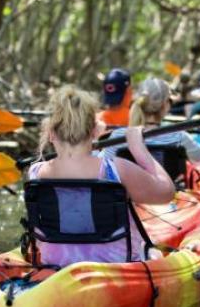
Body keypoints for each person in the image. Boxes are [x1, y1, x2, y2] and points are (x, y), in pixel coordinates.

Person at [28, 85, 175, 266]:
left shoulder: (35, 174)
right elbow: (167, 193)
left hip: (56, 262)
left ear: (51, 134)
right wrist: (139, 149)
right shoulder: (117, 170)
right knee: (153, 251)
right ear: (95, 132)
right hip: (115, 263)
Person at [103, 77, 200, 164]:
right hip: (169, 188)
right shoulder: (179, 137)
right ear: (165, 105)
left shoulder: (117, 137)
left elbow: (104, 168)